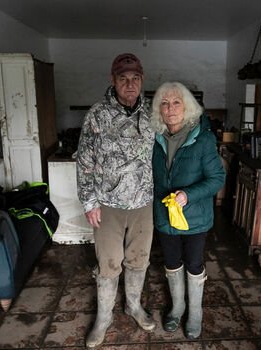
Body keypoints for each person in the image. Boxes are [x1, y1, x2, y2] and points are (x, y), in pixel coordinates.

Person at [76, 53, 155, 348]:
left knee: (139, 260)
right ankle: (104, 317)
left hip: (143, 202)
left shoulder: (151, 114)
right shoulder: (97, 114)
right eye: (123, 78)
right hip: (107, 204)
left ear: (142, 80)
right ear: (113, 81)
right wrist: (88, 201)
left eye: (135, 78)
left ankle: (133, 306)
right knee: (108, 264)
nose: (129, 84)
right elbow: (84, 161)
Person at [150, 81, 225, 339]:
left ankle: (195, 313)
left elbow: (217, 178)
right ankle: (178, 306)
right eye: (165, 103)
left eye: (176, 102)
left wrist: (187, 195)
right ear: (158, 109)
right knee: (171, 262)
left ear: (188, 107)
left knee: (193, 263)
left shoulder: (203, 139)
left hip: (194, 216)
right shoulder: (154, 137)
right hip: (164, 216)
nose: (170, 109)